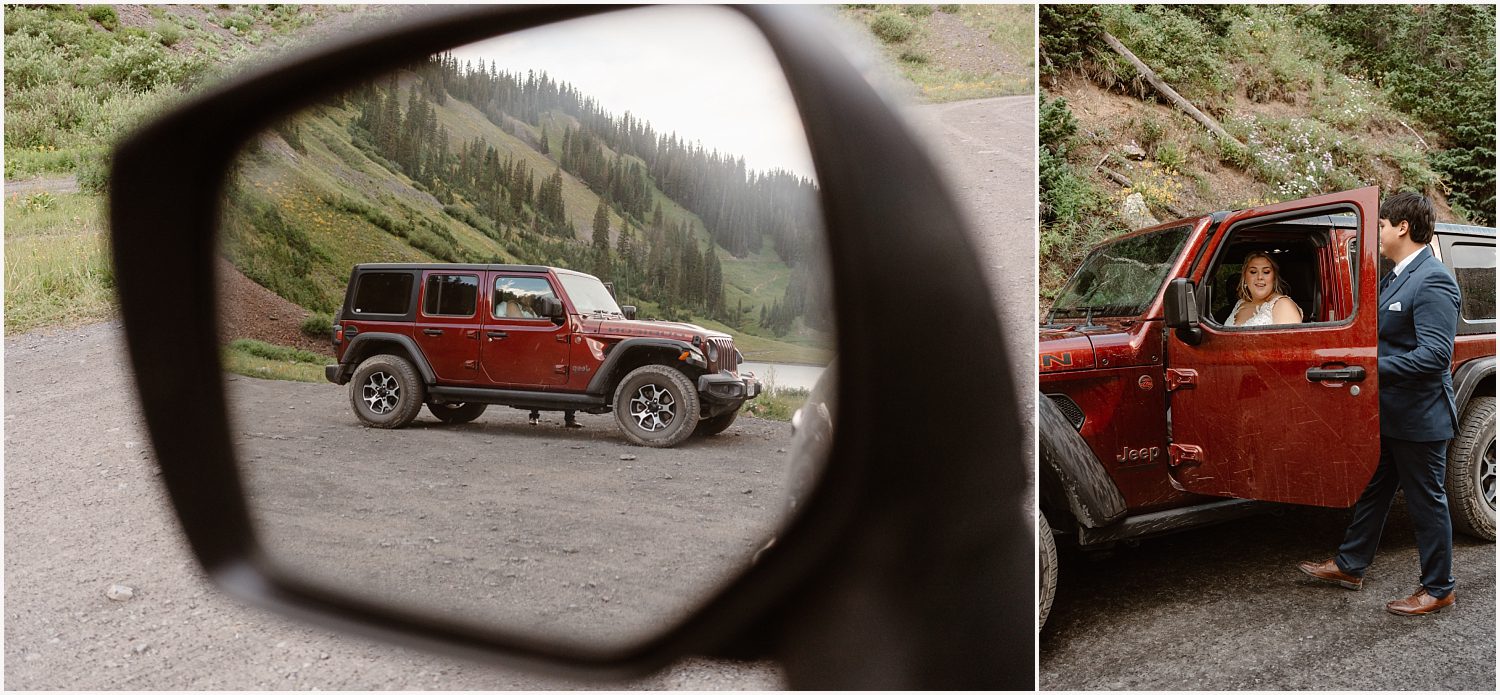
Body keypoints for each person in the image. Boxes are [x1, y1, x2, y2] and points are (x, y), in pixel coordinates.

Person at [1298, 191, 1462, 616]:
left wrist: (1369, 368)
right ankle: (1351, 565)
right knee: (1375, 488)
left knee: (1428, 501)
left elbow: (1434, 356)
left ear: (1402, 227)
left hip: (1420, 417)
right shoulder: (1394, 276)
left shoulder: (1434, 279)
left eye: (1383, 225)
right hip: (1389, 414)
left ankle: (1439, 587)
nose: (1380, 233)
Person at [1224, 251, 1303, 326]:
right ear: (1245, 277)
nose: (1260, 277)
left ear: (1274, 277)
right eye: (1253, 272)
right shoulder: (1240, 304)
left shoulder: (1283, 305)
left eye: (1266, 272)